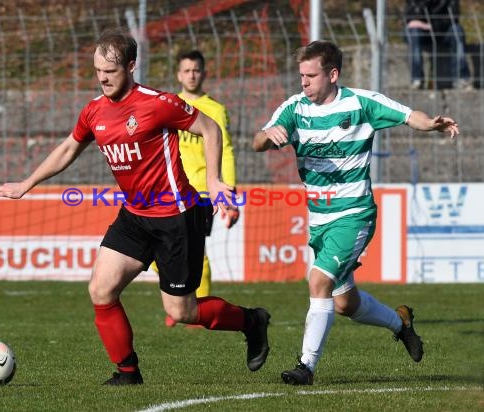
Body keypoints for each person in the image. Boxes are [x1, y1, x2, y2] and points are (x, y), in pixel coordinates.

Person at [0, 29, 270, 385]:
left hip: (177, 218)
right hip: (135, 217)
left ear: (131, 65)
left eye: (110, 70)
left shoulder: (158, 103)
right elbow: (67, 149)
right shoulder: (94, 112)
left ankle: (252, 321)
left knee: (182, 311)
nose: (102, 78)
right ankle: (127, 372)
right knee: (101, 289)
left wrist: (215, 181)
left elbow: (211, 129)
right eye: (97, 70)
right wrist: (26, 183)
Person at [253, 40, 459, 385]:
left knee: (318, 280)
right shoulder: (295, 108)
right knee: (345, 303)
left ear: (332, 74)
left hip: (354, 213)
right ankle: (401, 323)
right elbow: (258, 142)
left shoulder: (361, 103)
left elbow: (410, 116)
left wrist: (431, 124)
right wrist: (267, 135)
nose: (303, 82)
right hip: (318, 218)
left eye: (311, 75)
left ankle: (305, 367)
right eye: (301, 75)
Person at [154, 49, 238, 328]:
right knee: (157, 250)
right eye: (186, 70)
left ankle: (196, 310)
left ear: (204, 73)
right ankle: (178, 300)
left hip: (201, 192)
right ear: (178, 74)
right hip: (168, 190)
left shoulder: (215, 109)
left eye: (196, 70)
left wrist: (229, 191)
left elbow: (225, 149)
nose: (191, 75)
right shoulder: (168, 105)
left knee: (195, 253)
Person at [404, 0, 472, 90]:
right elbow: (411, 18)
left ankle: (462, 79)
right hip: (421, 33)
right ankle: (417, 79)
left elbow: (453, 19)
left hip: (443, 31)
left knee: (457, 30)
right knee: (414, 32)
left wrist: (431, 26)